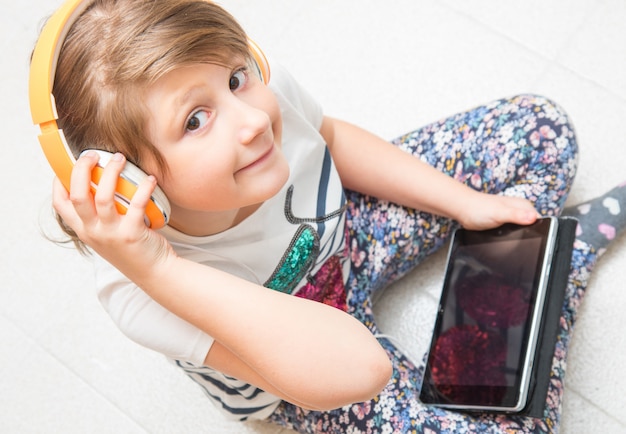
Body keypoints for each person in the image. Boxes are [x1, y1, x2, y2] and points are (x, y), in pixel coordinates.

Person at [39, 0, 625, 432]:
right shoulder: (141, 290)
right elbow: (357, 369)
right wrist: (158, 270)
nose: (251, 120)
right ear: (131, 187)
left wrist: (466, 204)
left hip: (353, 240)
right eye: (196, 120)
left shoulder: (257, 100)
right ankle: (561, 264)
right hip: (300, 362)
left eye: (236, 77)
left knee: (538, 130)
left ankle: (532, 290)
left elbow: (332, 141)